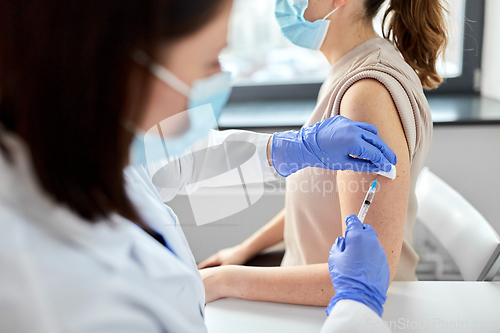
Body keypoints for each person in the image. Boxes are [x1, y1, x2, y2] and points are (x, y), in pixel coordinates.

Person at [0, 0, 397, 332]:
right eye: (211, 60)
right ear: (125, 66)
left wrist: (285, 149)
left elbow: (165, 164)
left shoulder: (74, 147)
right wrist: (357, 310)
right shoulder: (56, 291)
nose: (220, 78)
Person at [199, 0, 447, 305]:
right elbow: (323, 200)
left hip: (350, 311)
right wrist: (244, 250)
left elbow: (364, 277)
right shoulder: (350, 69)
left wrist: (222, 280)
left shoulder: (366, 95)